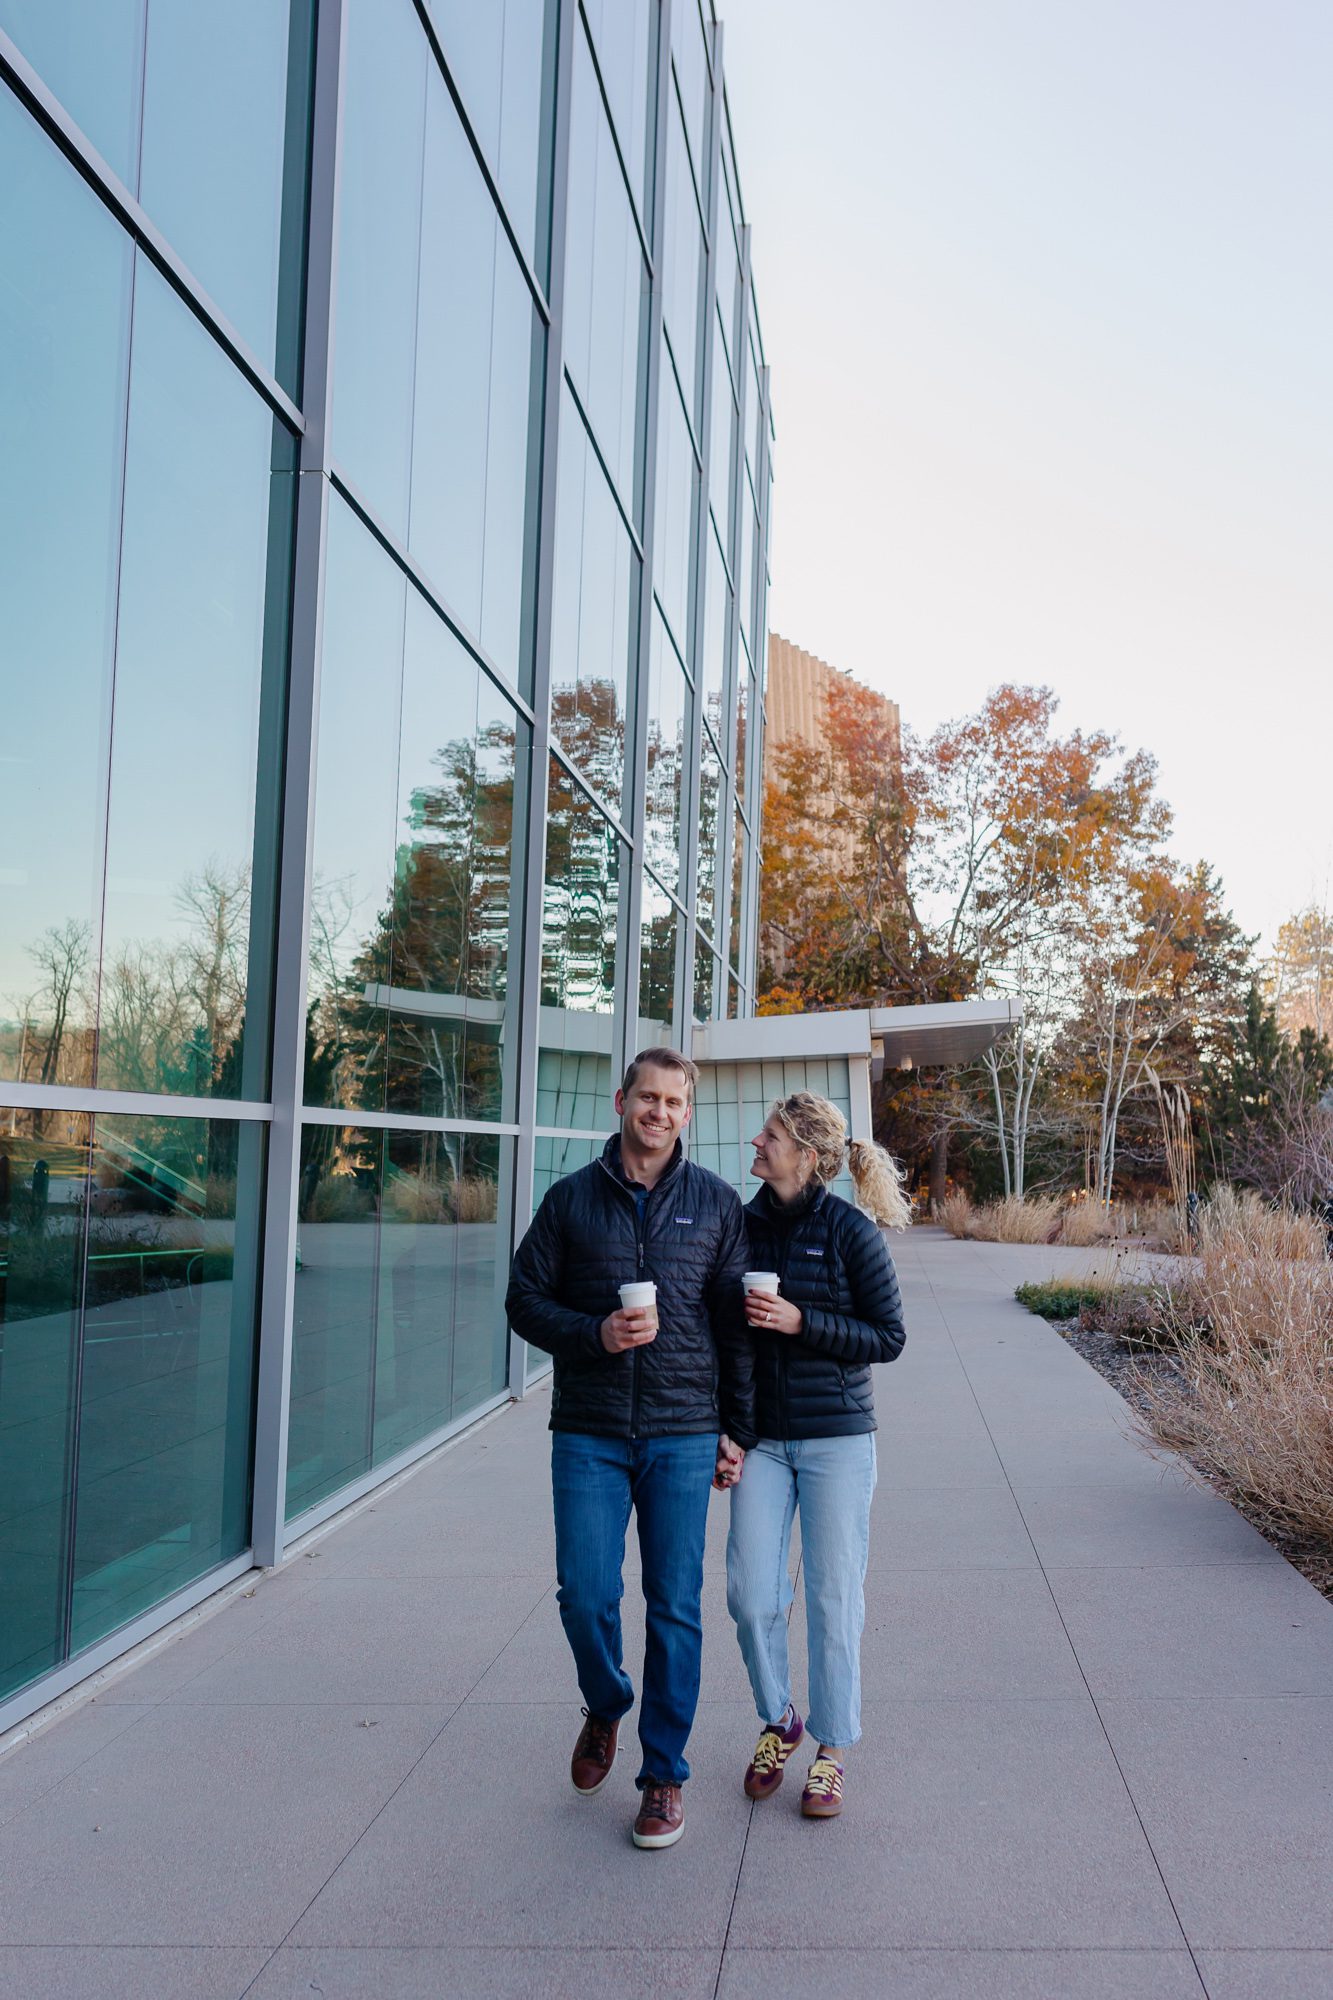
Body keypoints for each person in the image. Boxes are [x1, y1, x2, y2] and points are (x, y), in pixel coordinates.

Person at [506, 1047, 756, 1850]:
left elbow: (736, 1331)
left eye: (673, 1103)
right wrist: (595, 1333)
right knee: (584, 1595)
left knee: (676, 1608)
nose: (657, 1113)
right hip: (589, 1430)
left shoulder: (718, 1206)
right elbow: (523, 1301)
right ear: (621, 1101)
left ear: (688, 1114)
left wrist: (735, 1430)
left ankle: (661, 1778)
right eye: (646, 1097)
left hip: (683, 1432)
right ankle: (607, 1700)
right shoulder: (570, 1201)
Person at [716, 1091, 908, 1819]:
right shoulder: (739, 1227)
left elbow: (887, 1338)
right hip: (761, 1440)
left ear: (806, 1154)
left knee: (832, 1598)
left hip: (837, 1442)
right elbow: (721, 1338)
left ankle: (830, 1749)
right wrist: (725, 1427)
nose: (755, 1145)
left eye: (768, 1136)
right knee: (749, 1592)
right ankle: (780, 1719)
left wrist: (802, 1322)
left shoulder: (851, 1232)